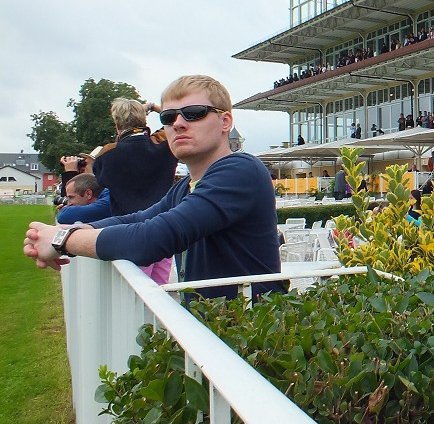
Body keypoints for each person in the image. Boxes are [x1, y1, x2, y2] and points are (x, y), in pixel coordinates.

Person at [23, 75, 285, 301]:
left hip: (251, 335)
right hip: (216, 331)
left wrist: (62, 241)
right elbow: (138, 218)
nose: (178, 123)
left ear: (225, 121)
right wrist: (72, 229)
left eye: (194, 113)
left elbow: (154, 238)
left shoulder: (241, 170)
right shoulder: (185, 186)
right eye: (168, 117)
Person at [91, 98, 179, 217]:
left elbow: (101, 180)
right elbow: (175, 120)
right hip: (163, 219)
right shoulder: (163, 143)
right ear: (144, 120)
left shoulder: (107, 153)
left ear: (116, 124)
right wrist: (152, 107)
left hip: (125, 225)